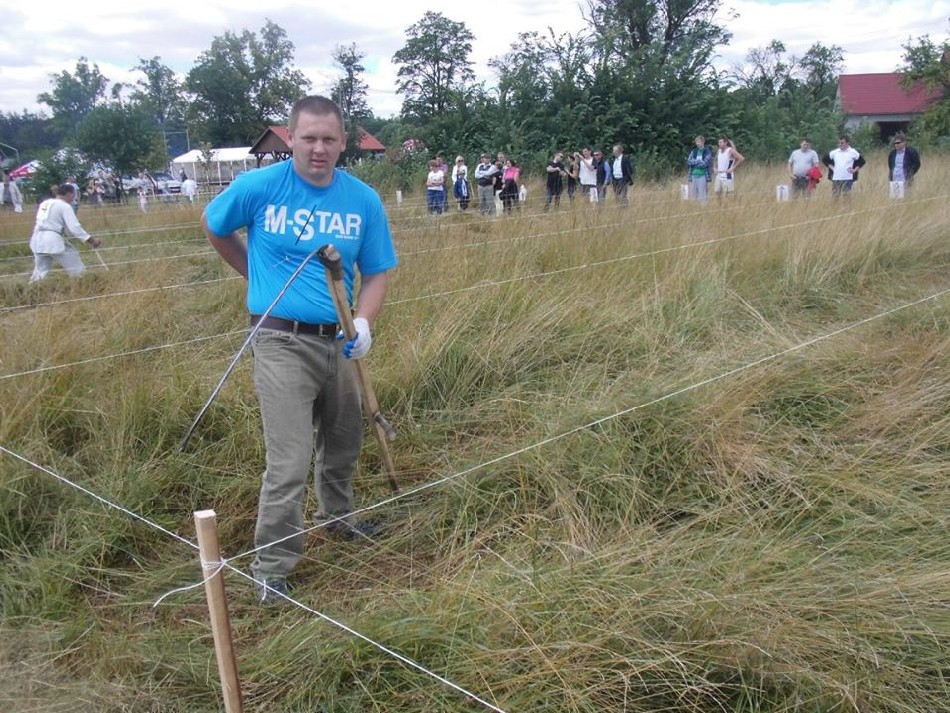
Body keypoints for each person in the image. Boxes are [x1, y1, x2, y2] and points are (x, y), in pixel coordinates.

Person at [202, 95, 398, 604]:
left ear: (343, 142)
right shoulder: (259, 188)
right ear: (291, 138)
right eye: (308, 138)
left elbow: (377, 272)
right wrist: (255, 276)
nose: (318, 149)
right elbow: (215, 226)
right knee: (289, 461)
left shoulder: (362, 200)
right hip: (280, 340)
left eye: (329, 139)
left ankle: (337, 519)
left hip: (339, 341)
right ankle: (273, 568)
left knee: (344, 442)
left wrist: (363, 322)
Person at [29, 184, 102, 282]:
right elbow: (75, 228)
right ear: (69, 194)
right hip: (52, 239)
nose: (73, 198)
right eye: (73, 195)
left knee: (40, 271)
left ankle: (33, 286)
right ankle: (82, 284)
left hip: (37, 238)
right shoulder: (65, 206)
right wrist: (92, 240)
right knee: (76, 266)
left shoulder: (45, 203)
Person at [686, 136, 712, 204]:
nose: (697, 143)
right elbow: (689, 161)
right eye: (696, 142)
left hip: (703, 175)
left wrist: (694, 162)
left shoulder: (707, 152)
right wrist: (699, 161)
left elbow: (704, 164)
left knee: (702, 195)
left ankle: (703, 208)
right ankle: (695, 208)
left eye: (699, 142)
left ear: (703, 142)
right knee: (693, 195)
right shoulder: (694, 151)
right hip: (693, 175)